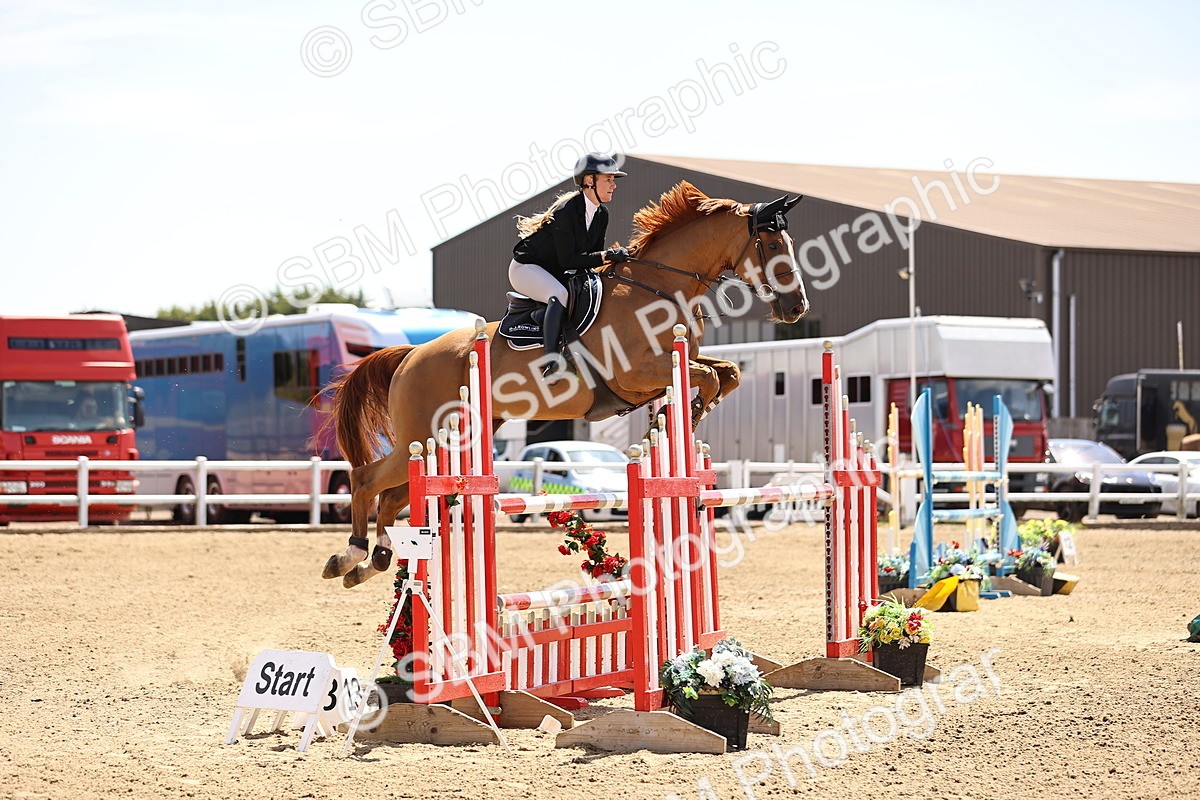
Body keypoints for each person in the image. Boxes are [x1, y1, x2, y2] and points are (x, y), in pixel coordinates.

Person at [510, 153, 630, 379]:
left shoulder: (601, 214)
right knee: (559, 293)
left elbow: (589, 259)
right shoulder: (566, 211)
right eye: (608, 180)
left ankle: (544, 318)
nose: (614, 185)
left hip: (555, 271)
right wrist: (606, 256)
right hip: (526, 268)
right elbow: (571, 260)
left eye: (614, 180)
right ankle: (551, 360)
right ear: (589, 181)